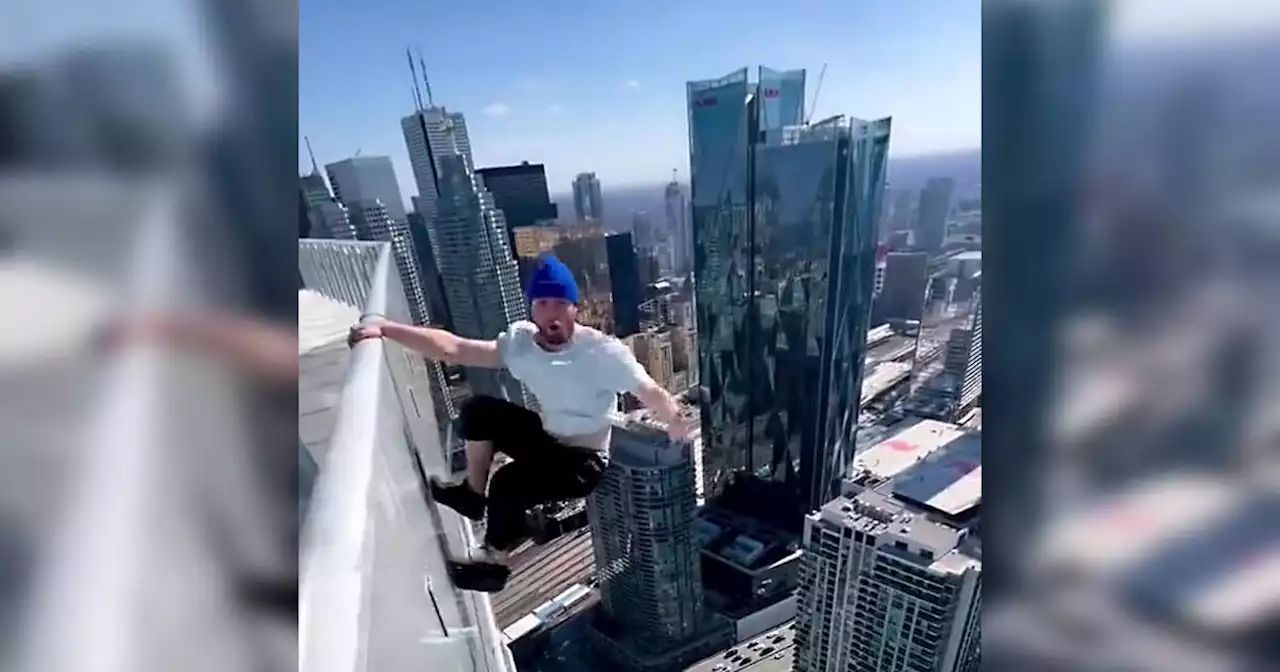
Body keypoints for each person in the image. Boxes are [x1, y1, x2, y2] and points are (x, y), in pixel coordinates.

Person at [348, 255, 689, 592]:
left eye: (560, 302)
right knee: (479, 411)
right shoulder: (522, 344)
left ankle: (494, 563)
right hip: (547, 439)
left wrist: (673, 419)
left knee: (509, 482)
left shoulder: (603, 353)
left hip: (582, 462)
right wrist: (384, 330)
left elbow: (649, 390)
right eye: (542, 302)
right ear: (532, 310)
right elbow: (455, 349)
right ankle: (471, 494)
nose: (551, 311)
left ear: (575, 309)